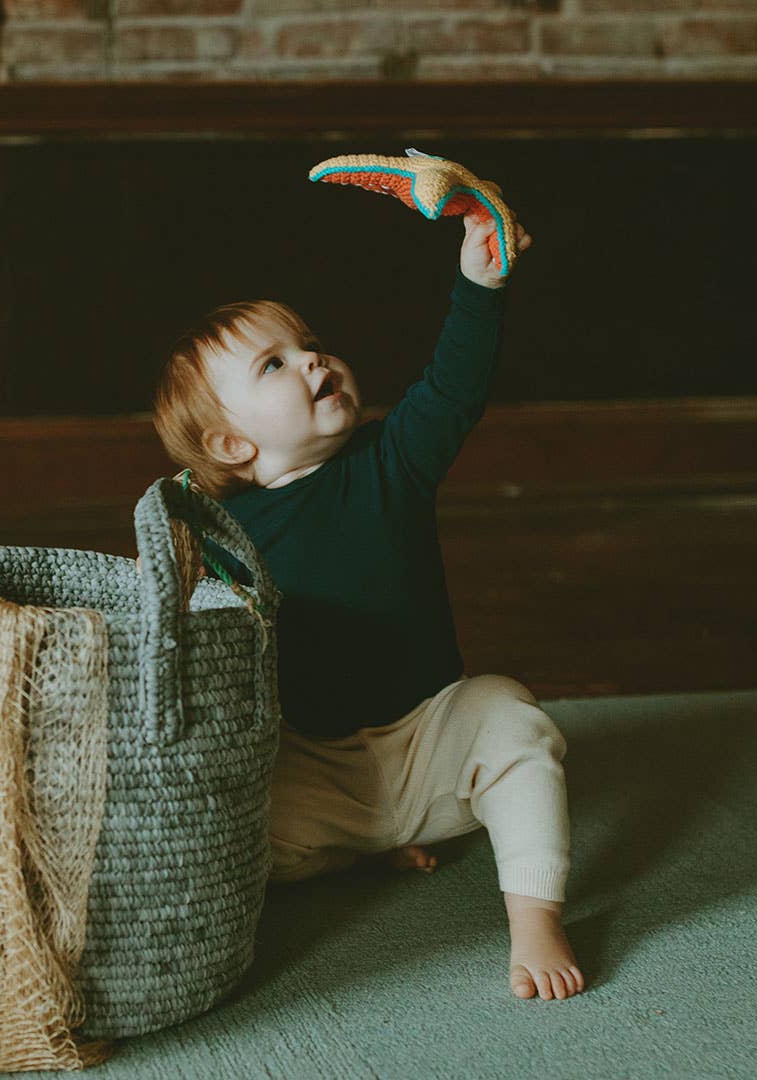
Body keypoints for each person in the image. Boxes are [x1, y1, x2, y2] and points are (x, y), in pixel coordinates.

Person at [150, 206, 585, 1002]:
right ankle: (355, 851)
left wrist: (479, 284)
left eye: (309, 343)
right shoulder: (223, 530)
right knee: (225, 821)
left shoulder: (391, 462)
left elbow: (455, 386)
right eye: (274, 365)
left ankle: (534, 913)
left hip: (430, 738)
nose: (312, 359)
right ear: (229, 445)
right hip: (314, 764)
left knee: (513, 718)